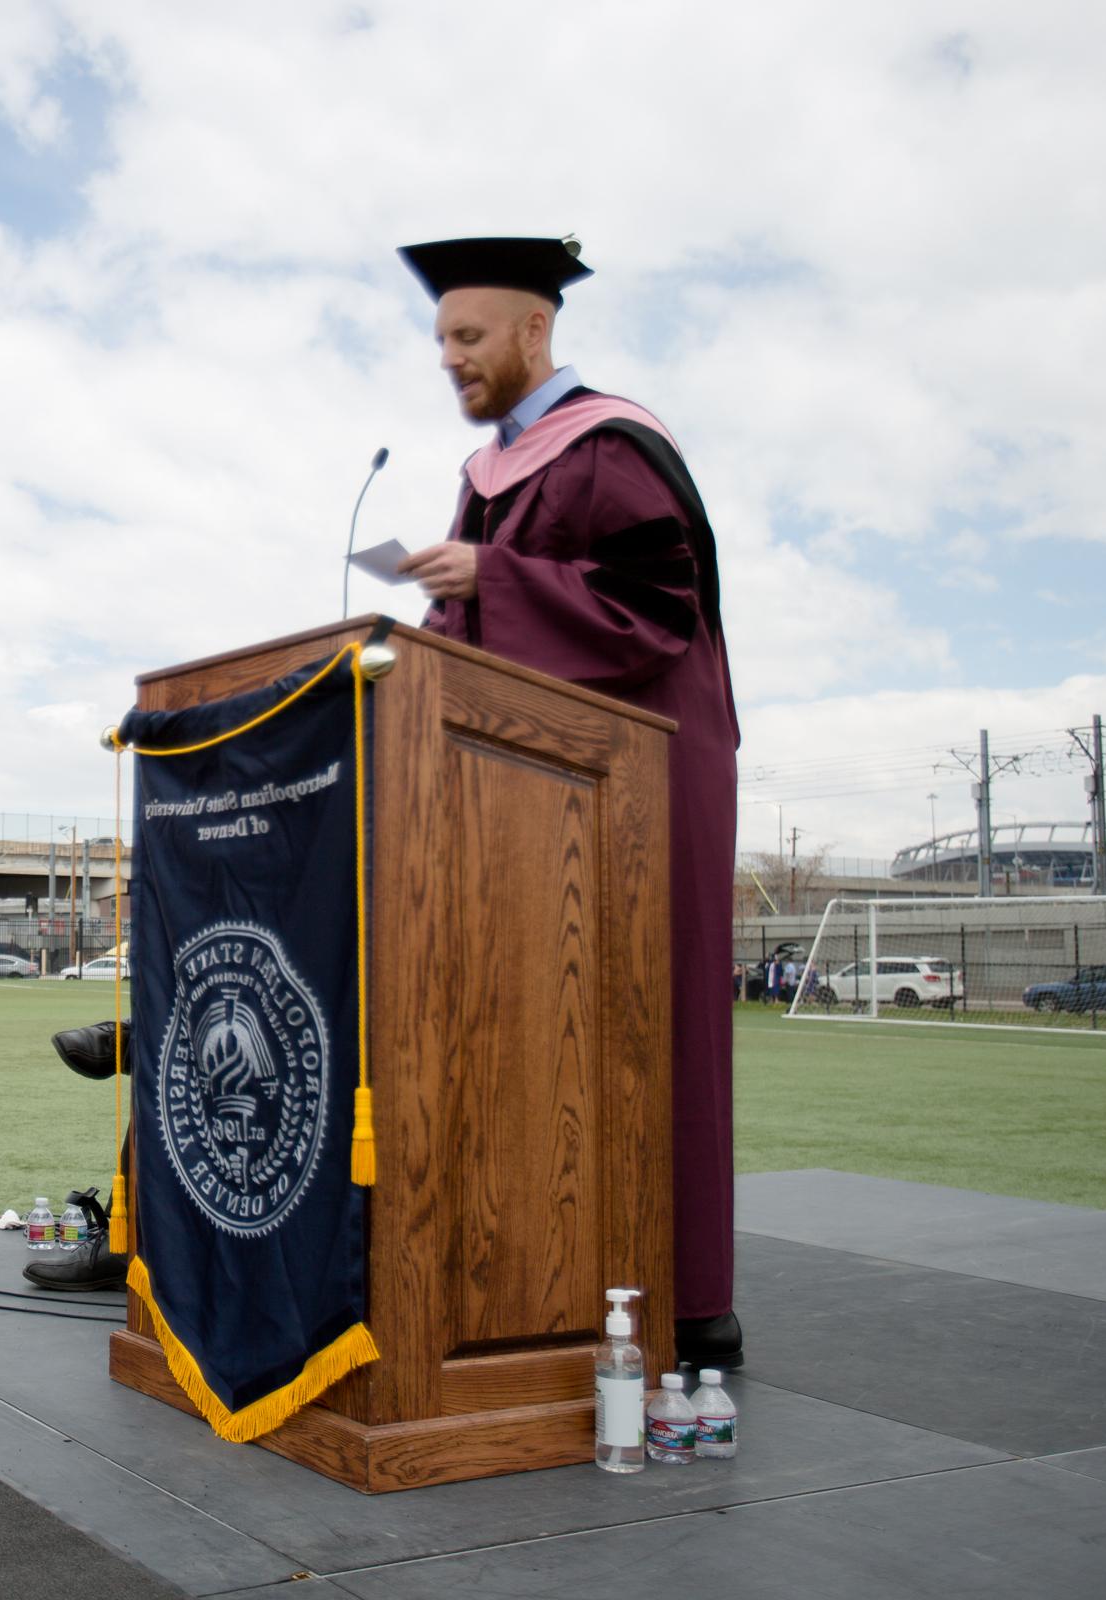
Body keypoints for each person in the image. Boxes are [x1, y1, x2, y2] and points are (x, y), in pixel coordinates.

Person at [393, 234, 742, 1370]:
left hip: (647, 770)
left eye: (469, 335)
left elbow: (654, 611)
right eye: (442, 339)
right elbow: (485, 640)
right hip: (528, 784)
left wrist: (489, 579)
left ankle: (687, 1300)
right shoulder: (491, 471)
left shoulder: (609, 446)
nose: (449, 358)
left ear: (536, 330)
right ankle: (548, 1270)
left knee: (651, 1011)